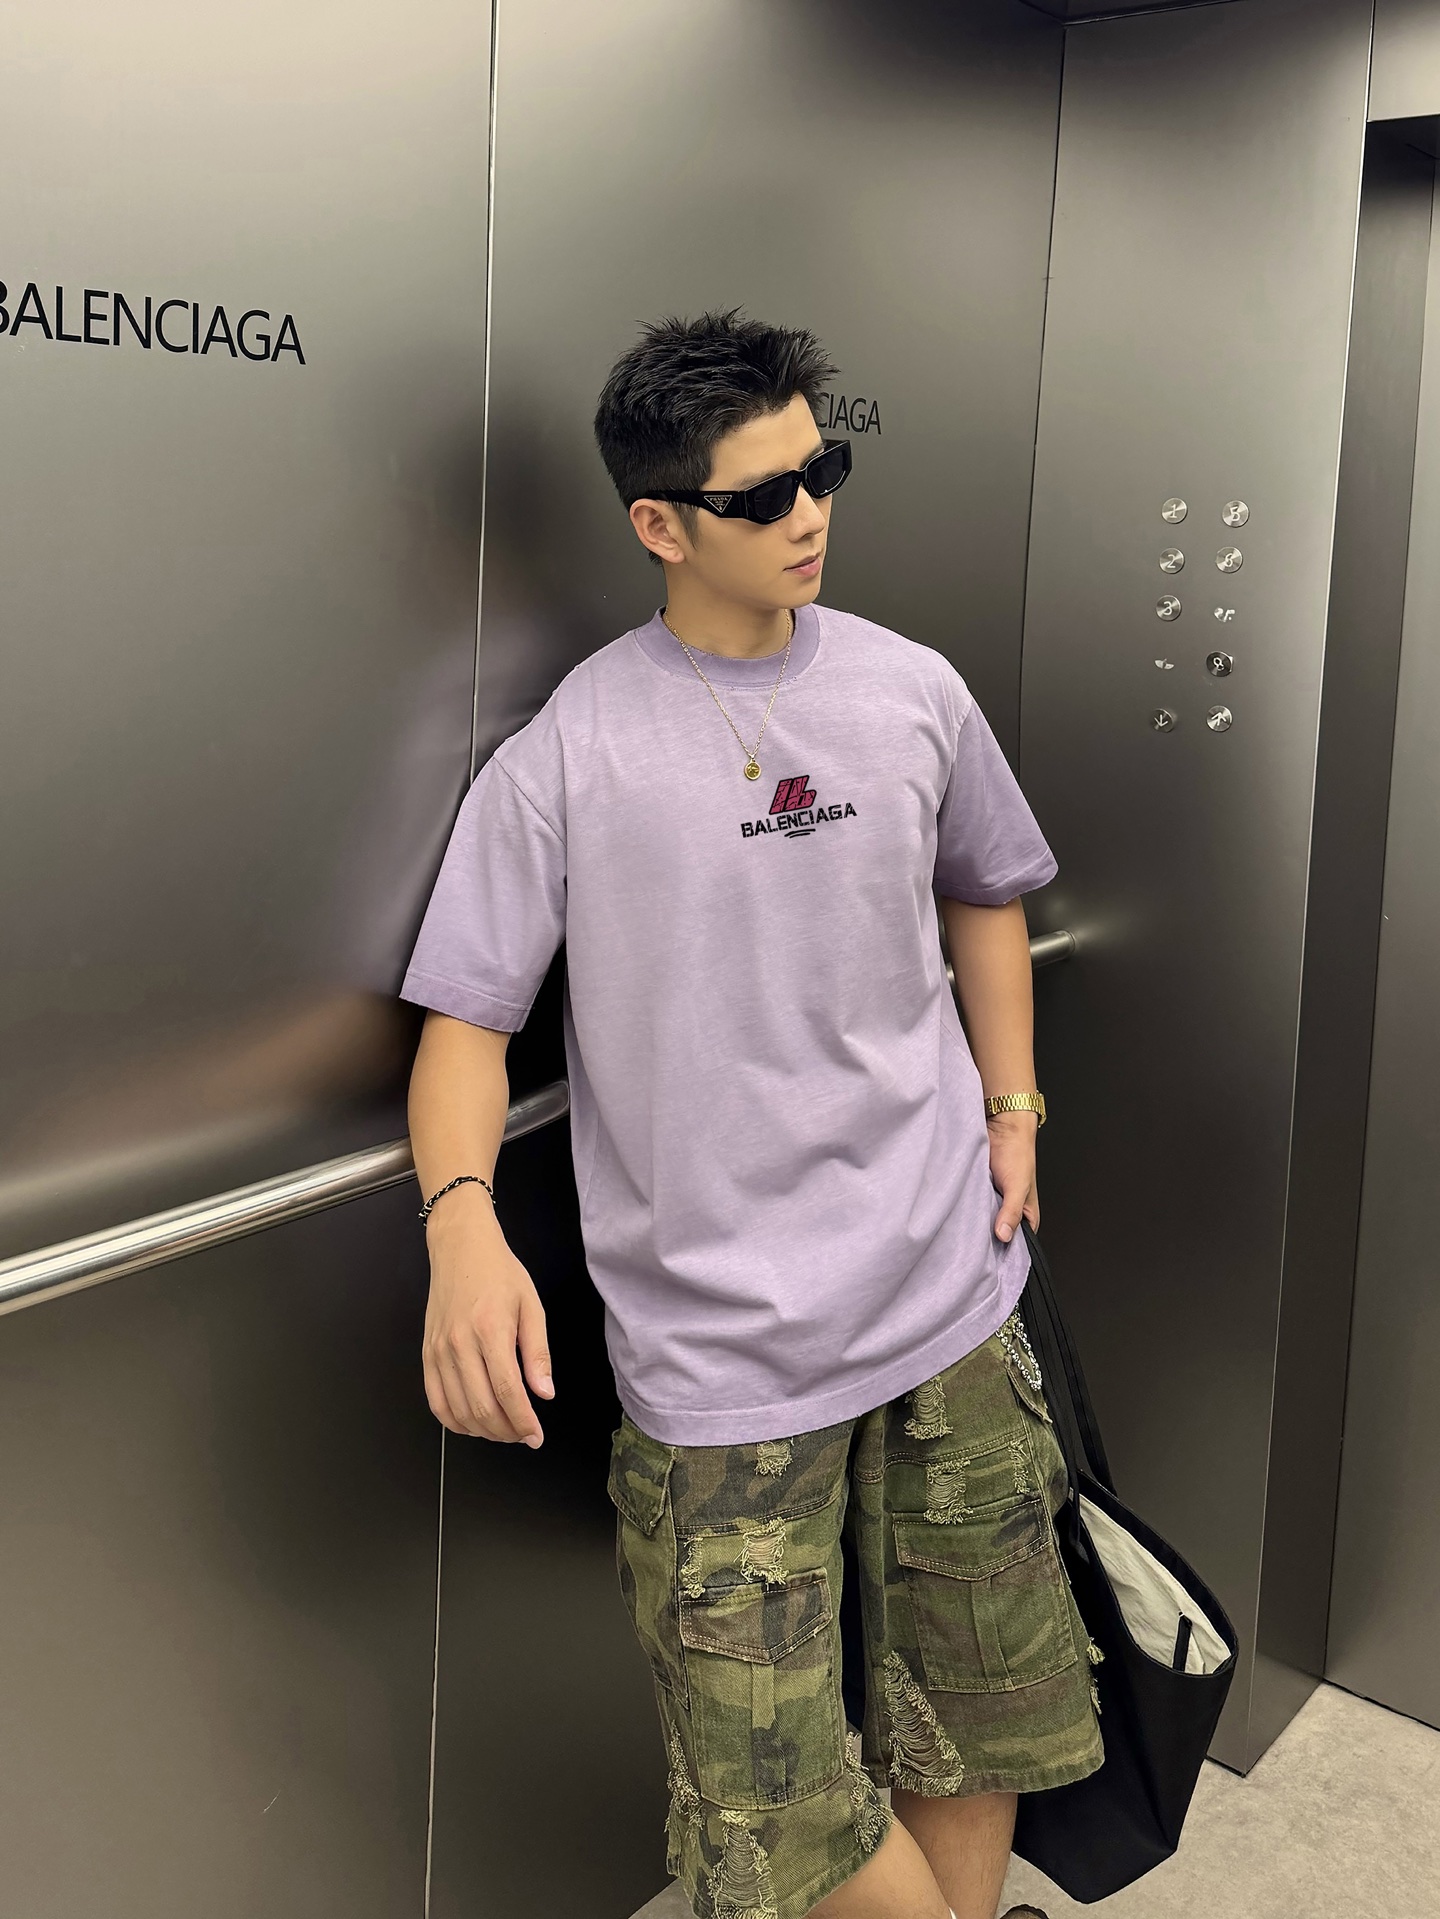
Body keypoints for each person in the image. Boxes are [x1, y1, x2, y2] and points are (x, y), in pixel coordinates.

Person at [400, 311, 1102, 1919]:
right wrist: (463, 1233)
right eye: (763, 495)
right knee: (768, 1812)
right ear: (659, 524)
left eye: (822, 471)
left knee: (971, 1708)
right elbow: (464, 1031)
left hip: (948, 1296)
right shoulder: (571, 752)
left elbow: (988, 889)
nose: (809, 516)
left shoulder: (912, 689)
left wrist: (1013, 1107)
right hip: (724, 1359)